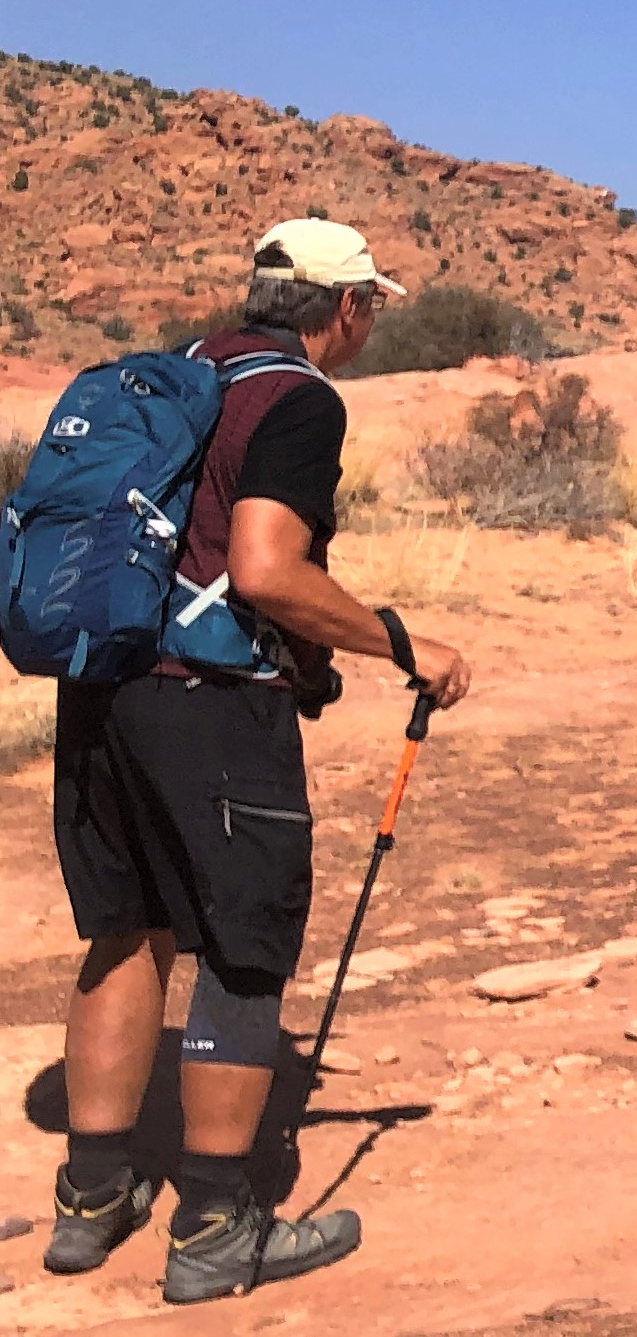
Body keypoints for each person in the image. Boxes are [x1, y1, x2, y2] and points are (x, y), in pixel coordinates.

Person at [44, 219, 474, 1304]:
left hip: (102, 690)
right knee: (243, 951)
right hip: (210, 709)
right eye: (370, 303)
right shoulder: (298, 399)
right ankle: (216, 1228)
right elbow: (266, 570)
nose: (371, 321)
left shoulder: (187, 370)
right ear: (346, 309)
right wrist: (402, 644)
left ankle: (93, 1200)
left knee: (125, 929)